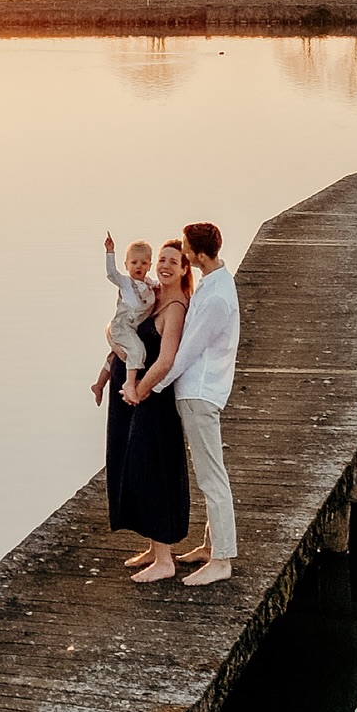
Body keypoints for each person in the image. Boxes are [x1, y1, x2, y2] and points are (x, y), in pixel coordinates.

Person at [132, 220, 238, 588]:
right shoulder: (214, 282)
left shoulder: (216, 297)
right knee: (211, 474)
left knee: (212, 478)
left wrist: (150, 387)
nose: (184, 252)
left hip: (200, 393)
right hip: (197, 392)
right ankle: (210, 547)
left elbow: (186, 352)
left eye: (187, 248)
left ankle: (222, 559)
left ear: (198, 254)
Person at [106, 240, 192, 583]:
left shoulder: (175, 308)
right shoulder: (154, 297)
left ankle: (165, 560)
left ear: (184, 269)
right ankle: (154, 549)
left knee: (152, 473)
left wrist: (138, 391)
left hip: (152, 401)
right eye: (162, 260)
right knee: (134, 468)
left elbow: (166, 360)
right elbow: (121, 329)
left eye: (173, 261)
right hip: (133, 398)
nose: (165, 266)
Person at [91, 233, 156, 406]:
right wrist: (110, 252)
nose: (138, 266)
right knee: (137, 350)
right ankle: (129, 383)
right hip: (122, 325)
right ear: (126, 264)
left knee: (115, 356)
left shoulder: (150, 284)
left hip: (131, 327)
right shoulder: (126, 283)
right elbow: (112, 274)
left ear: (150, 265)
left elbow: (161, 287)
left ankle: (99, 385)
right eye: (134, 262)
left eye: (143, 263)